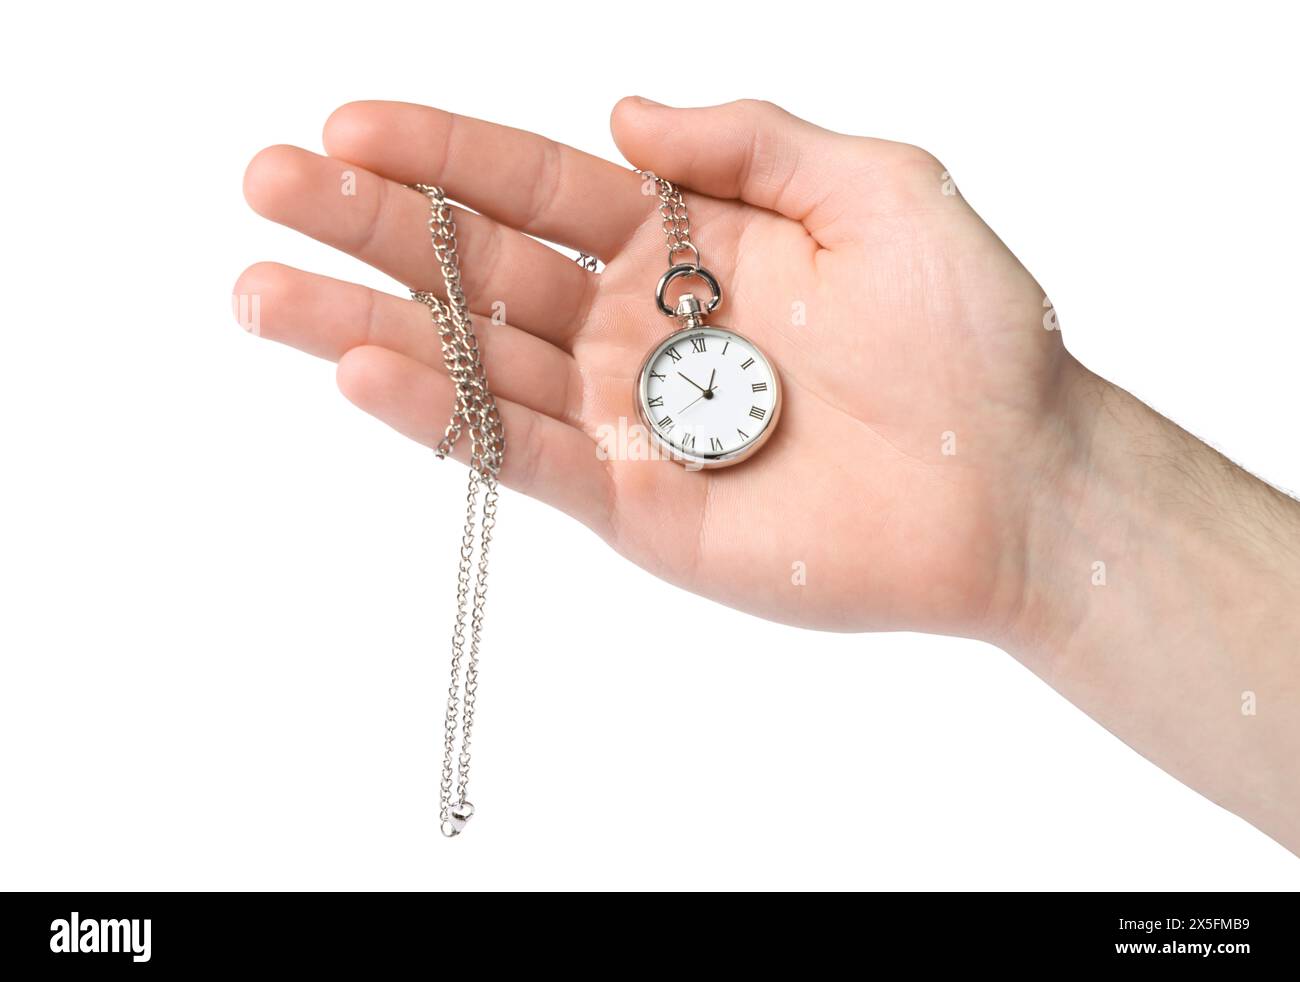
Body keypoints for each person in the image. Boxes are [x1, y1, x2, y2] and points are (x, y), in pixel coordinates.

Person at [236, 98, 1299, 854]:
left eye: (715, 389)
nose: (705, 391)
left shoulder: (711, 358)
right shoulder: (682, 366)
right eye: (696, 390)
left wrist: (1037, 475)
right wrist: (1050, 508)